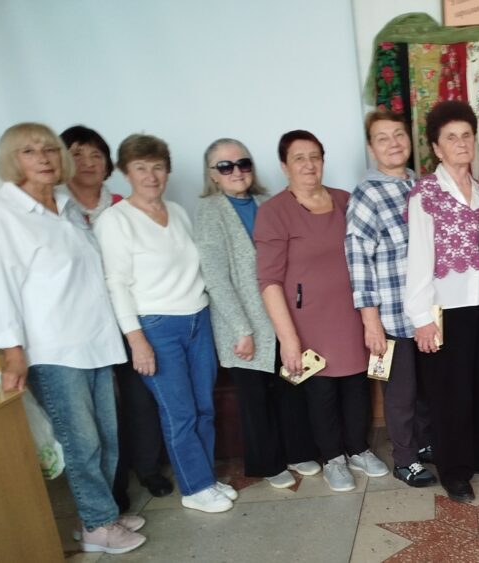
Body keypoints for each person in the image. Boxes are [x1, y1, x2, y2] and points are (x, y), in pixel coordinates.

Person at [0, 123, 146, 554]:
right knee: (82, 443)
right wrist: (12, 352)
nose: (43, 158)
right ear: (11, 160)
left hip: (96, 341)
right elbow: (0, 288)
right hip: (54, 348)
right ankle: (99, 526)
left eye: (49, 149)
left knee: (107, 439)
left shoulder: (64, 204)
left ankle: (97, 515)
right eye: (29, 151)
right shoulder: (4, 213)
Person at [95, 134, 234, 514]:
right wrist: (136, 340)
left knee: (204, 407)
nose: (151, 175)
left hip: (197, 318)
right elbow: (115, 284)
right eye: (141, 168)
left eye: (157, 167)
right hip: (156, 326)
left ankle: (205, 476)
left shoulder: (177, 211)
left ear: (167, 171)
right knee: (179, 413)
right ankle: (194, 488)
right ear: (126, 173)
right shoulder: (115, 221)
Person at [256, 130, 388, 493]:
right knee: (322, 390)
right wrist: (287, 339)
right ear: (284, 166)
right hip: (307, 321)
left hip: (353, 312)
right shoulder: (274, 212)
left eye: (315, 156)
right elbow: (268, 281)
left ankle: (358, 449)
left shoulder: (346, 200)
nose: (309, 164)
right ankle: (333, 458)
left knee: (357, 384)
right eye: (299, 158)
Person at [194, 138, 320, 489]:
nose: (236, 171)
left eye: (243, 163)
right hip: (243, 323)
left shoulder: (269, 203)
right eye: (225, 166)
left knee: (292, 386)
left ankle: (298, 451)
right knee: (255, 398)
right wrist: (241, 330)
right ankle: (267, 462)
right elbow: (216, 278)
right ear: (213, 174)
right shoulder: (210, 211)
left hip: (281, 316)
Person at [405, 100, 479, 503]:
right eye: (451, 138)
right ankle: (454, 470)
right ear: (437, 148)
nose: (461, 143)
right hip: (443, 310)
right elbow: (418, 258)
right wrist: (422, 318)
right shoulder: (426, 194)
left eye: (467, 135)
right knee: (449, 393)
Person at [60, 125, 173, 507]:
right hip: (80, 323)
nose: (88, 162)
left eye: (96, 155)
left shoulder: (125, 204)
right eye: (77, 154)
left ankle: (148, 468)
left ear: (110, 164)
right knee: (96, 412)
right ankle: (114, 484)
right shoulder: (56, 208)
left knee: (140, 399)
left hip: (130, 317)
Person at [345, 110, 437, 488]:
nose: (393, 143)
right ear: (371, 148)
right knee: (400, 394)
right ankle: (404, 459)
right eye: (382, 138)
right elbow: (358, 259)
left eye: (399, 134)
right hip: (391, 317)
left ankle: (425, 444)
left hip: (428, 313)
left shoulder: (423, 185)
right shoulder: (366, 194)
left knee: (427, 388)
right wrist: (371, 322)